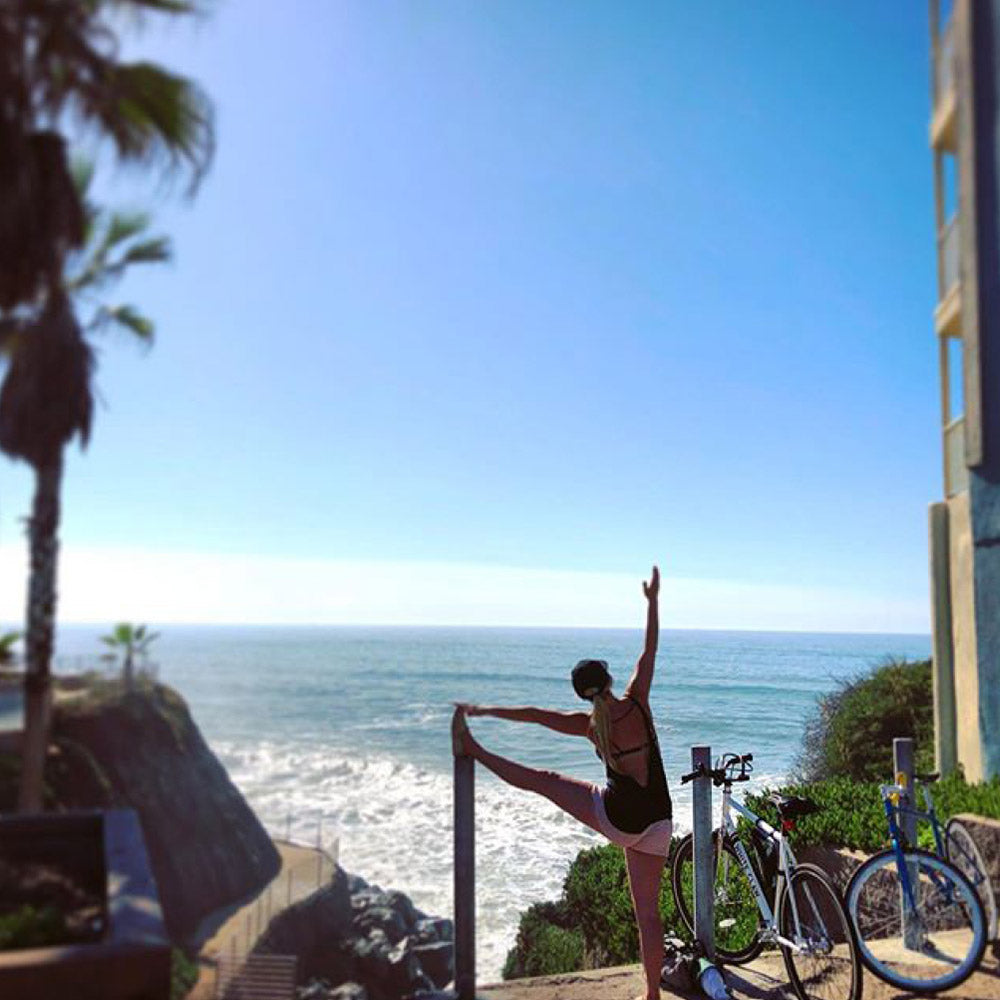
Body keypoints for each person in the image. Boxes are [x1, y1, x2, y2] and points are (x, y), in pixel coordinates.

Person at [452, 565, 670, 1000]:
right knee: (649, 915)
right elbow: (649, 649)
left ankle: (472, 749)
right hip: (659, 821)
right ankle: (652, 996)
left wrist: (484, 710)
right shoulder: (638, 702)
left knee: (544, 780)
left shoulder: (590, 725)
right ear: (609, 679)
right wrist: (652, 601)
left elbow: (536, 715)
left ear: (581, 693)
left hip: (618, 820)